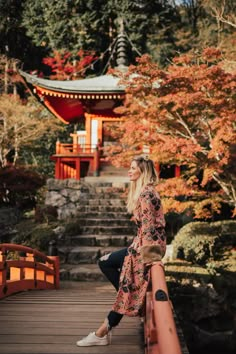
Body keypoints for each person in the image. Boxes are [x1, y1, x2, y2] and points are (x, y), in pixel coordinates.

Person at [76, 155, 166, 347]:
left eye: (133, 168)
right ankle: (133, 301)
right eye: (130, 167)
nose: (129, 170)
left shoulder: (146, 194)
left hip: (148, 247)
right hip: (143, 244)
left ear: (143, 171)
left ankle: (102, 333)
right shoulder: (146, 191)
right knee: (107, 263)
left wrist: (151, 257)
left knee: (120, 279)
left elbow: (149, 227)